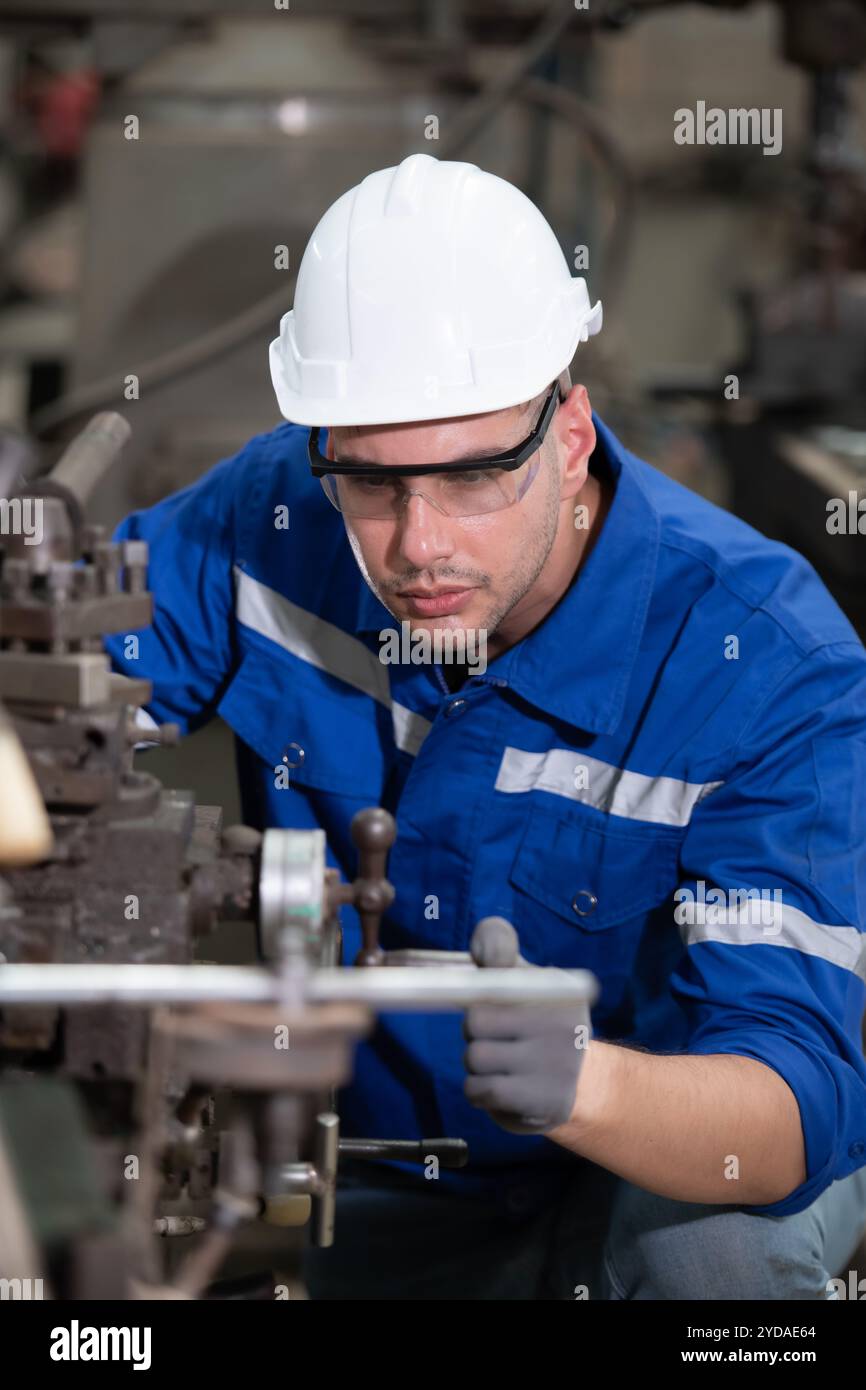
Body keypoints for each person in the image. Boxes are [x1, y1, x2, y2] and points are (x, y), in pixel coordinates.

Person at [106, 153, 866, 1299]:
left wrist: (582, 1085)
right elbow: (61, 699)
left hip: (660, 1164)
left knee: (711, 1254)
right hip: (388, 1166)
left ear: (567, 434)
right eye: (370, 482)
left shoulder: (760, 659)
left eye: (472, 477)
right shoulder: (271, 515)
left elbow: (787, 1101)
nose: (418, 545)